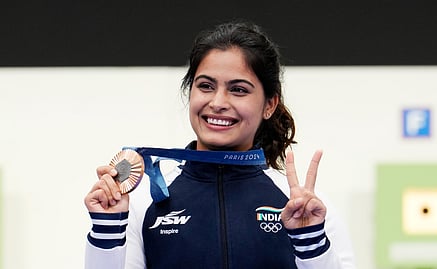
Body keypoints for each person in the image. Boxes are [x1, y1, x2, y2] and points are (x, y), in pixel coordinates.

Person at [84, 21, 356, 268]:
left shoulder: (302, 207)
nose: (218, 103)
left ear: (269, 105)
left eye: (238, 90)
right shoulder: (145, 201)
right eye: (205, 86)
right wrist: (107, 231)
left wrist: (311, 246)